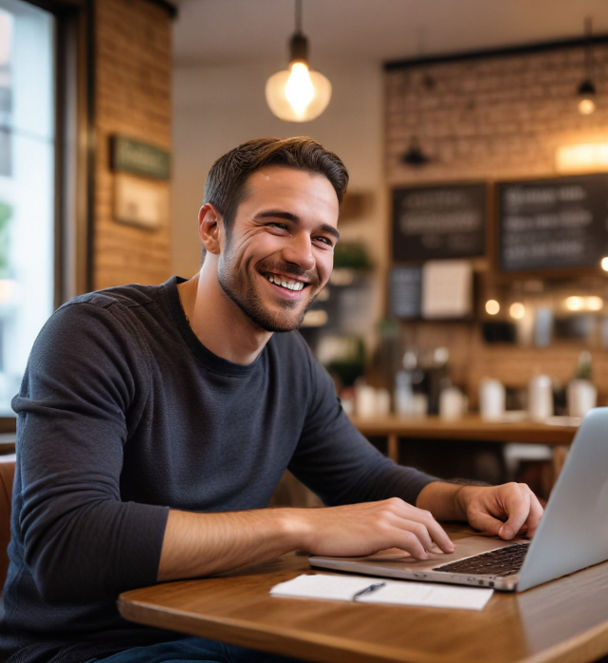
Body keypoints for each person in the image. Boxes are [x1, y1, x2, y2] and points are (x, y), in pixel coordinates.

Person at [0, 137, 542, 663]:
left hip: (238, 623)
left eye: (323, 238)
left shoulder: (290, 360)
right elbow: (68, 543)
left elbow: (363, 479)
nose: (303, 257)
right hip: (98, 646)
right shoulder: (97, 335)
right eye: (278, 225)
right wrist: (301, 526)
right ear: (212, 228)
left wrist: (463, 500)